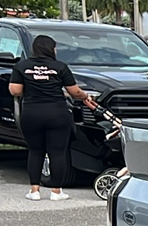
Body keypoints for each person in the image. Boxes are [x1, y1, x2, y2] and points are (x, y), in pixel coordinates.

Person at [9, 34, 96, 201]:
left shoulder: (22, 66)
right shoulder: (60, 66)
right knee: (57, 153)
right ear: (51, 49)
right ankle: (56, 191)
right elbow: (74, 92)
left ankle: (34, 191)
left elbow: (15, 91)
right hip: (57, 112)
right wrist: (86, 96)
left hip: (32, 112)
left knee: (35, 151)